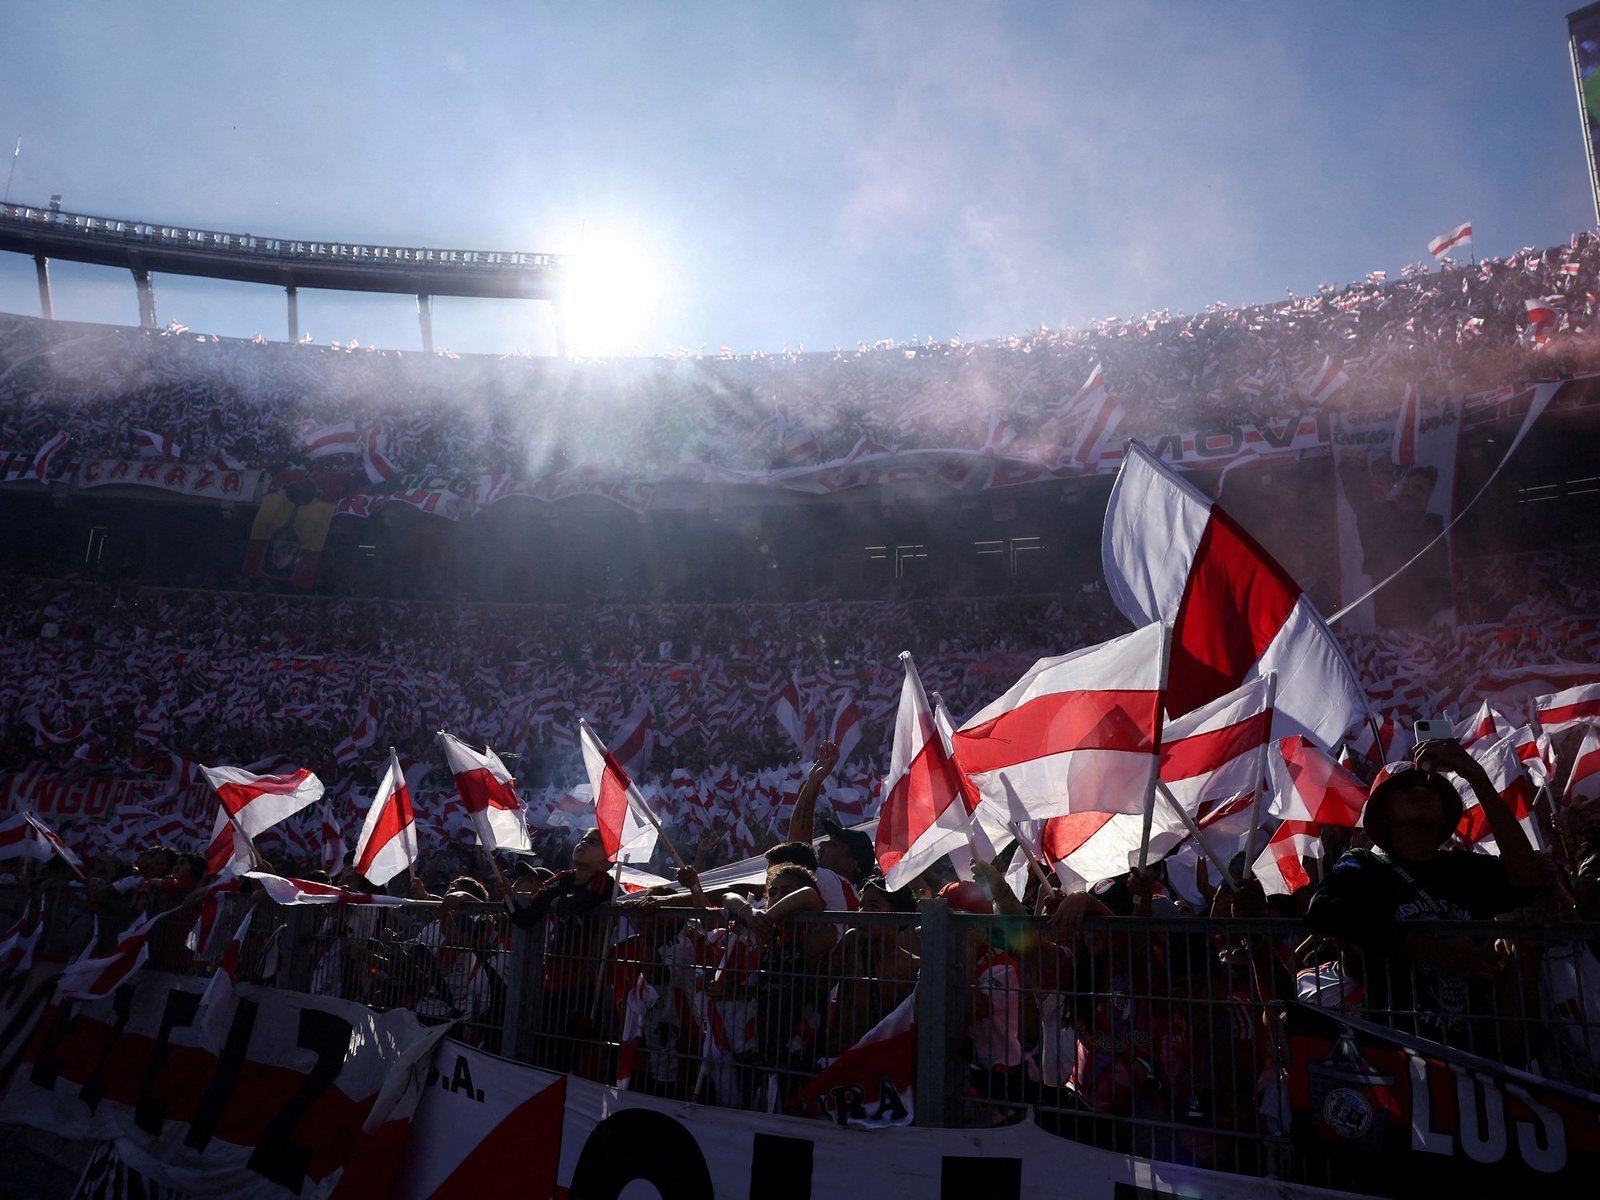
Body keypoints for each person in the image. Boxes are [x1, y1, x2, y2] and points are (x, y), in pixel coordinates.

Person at [1305, 738, 1550, 1054]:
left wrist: (1477, 777)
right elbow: (1322, 911)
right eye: (1404, 789)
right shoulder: (1364, 865)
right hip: (1401, 1057)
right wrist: (1429, 949)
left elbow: (1528, 879)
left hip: (1478, 1057)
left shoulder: (1465, 869)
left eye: (1431, 788)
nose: (1421, 791)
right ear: (1383, 814)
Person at [502, 826, 617, 1077]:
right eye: (584, 839)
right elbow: (526, 917)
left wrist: (555, 903)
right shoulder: (561, 879)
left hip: (585, 985)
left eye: (593, 842)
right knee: (546, 1049)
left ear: (606, 863)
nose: (583, 844)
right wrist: (508, 898)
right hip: (553, 982)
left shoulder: (604, 882)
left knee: (572, 1055)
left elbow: (580, 904)